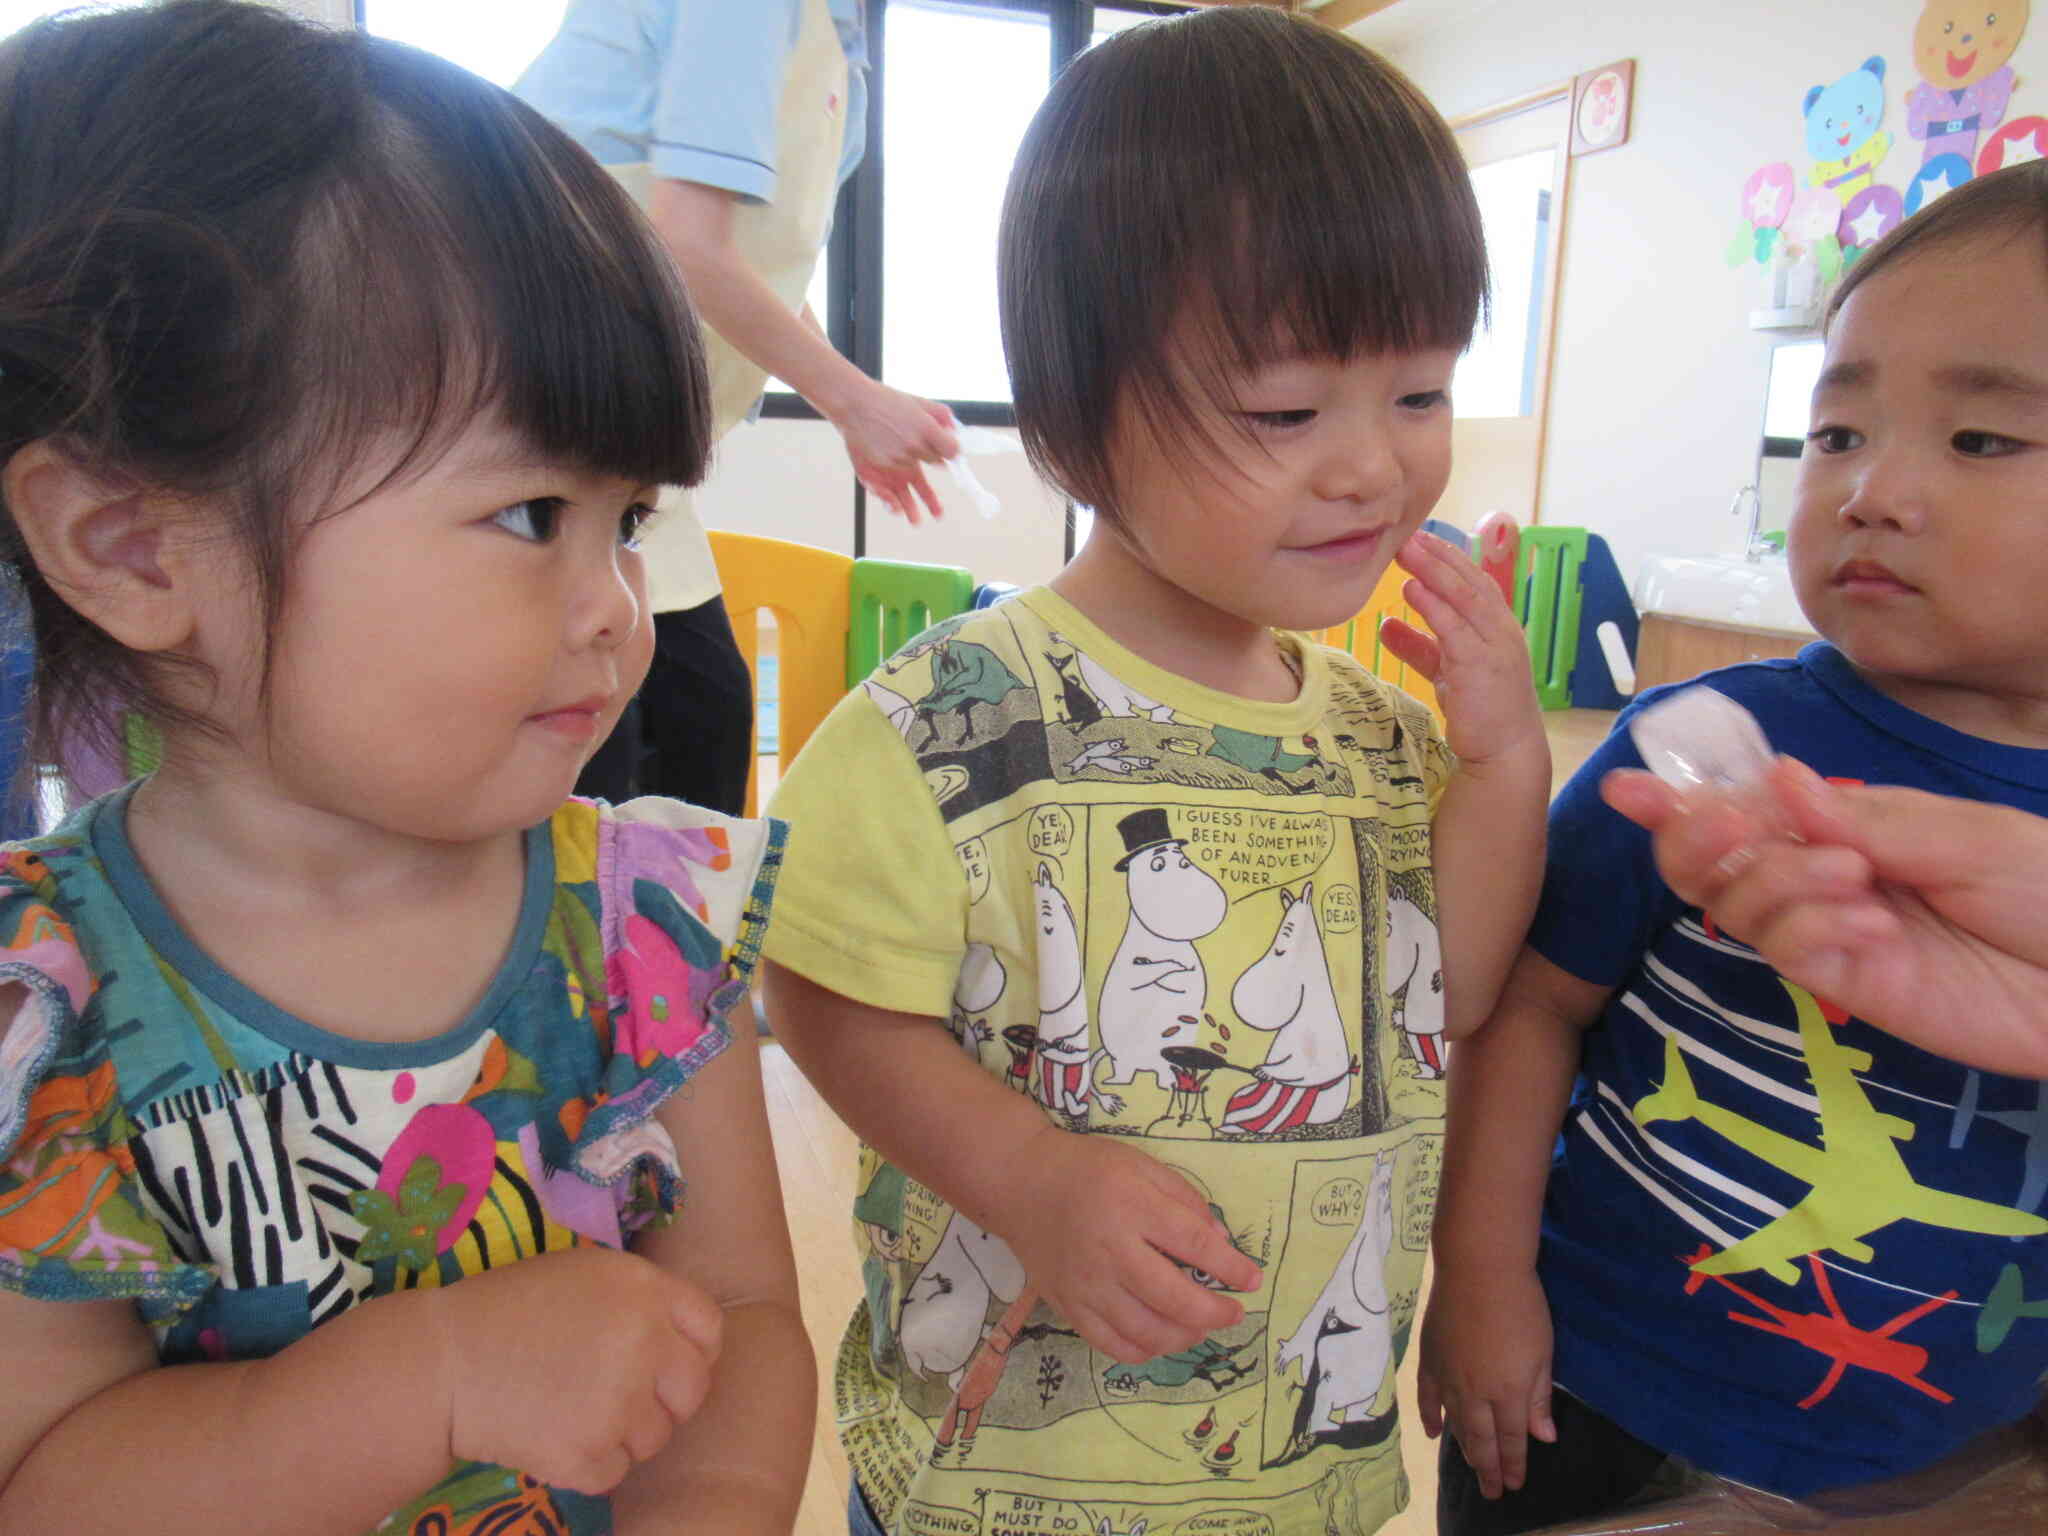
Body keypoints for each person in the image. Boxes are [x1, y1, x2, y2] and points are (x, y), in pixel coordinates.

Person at [0, 7, 809, 1535]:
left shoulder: (648, 930)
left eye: (625, 521)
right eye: (530, 517)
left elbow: (748, 1319)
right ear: (132, 547)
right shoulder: (49, 1014)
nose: (614, 609)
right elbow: (46, 1483)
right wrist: (426, 1380)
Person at [758, 11, 1550, 1536]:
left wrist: (1504, 757)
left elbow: (1447, 986)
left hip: (1292, 1465)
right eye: (1285, 411)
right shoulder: (954, 722)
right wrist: (1029, 1178)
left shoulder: (1380, 737)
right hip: (1005, 1471)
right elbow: (820, 990)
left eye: (1421, 393)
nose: (1374, 466)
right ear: (1070, 425)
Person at [1421, 159, 2048, 1536]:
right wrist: (1477, 1275)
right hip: (1599, 1390)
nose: (1873, 491)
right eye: (1837, 433)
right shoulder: (1714, 738)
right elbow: (1531, 1006)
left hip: (1947, 1458)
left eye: (1983, 441)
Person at [516, 0, 959, 811]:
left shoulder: (839, 47)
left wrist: (849, 405)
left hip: (635, 454)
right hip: (545, 415)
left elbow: (760, 270)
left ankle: (674, 934)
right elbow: (684, 242)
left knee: (707, 715)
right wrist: (854, 401)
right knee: (596, 751)